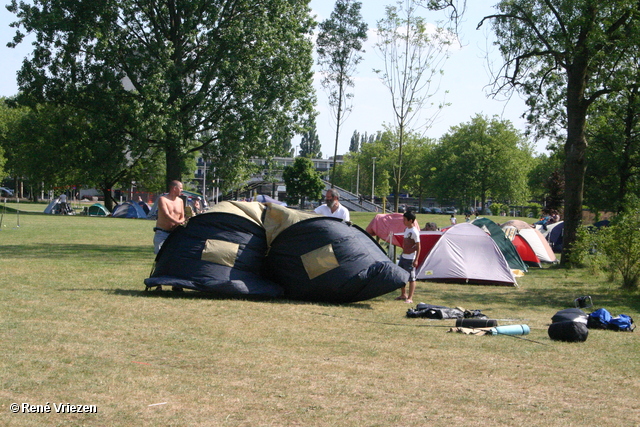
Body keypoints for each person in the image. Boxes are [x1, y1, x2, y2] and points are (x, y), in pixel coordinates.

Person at [153, 180, 185, 255]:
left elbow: (182, 216)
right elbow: (166, 215)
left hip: (175, 233)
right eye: (180, 188)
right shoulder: (163, 199)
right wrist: (178, 222)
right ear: (174, 188)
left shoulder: (180, 201)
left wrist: (182, 221)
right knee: (160, 258)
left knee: (173, 257)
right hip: (162, 233)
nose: (182, 190)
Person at [396, 210, 420, 304]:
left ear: (410, 220)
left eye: (405, 220)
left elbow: (418, 246)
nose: (403, 221)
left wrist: (416, 259)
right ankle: (403, 294)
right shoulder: (406, 230)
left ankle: (410, 298)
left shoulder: (414, 232)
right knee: (402, 276)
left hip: (410, 258)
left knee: (411, 278)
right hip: (403, 256)